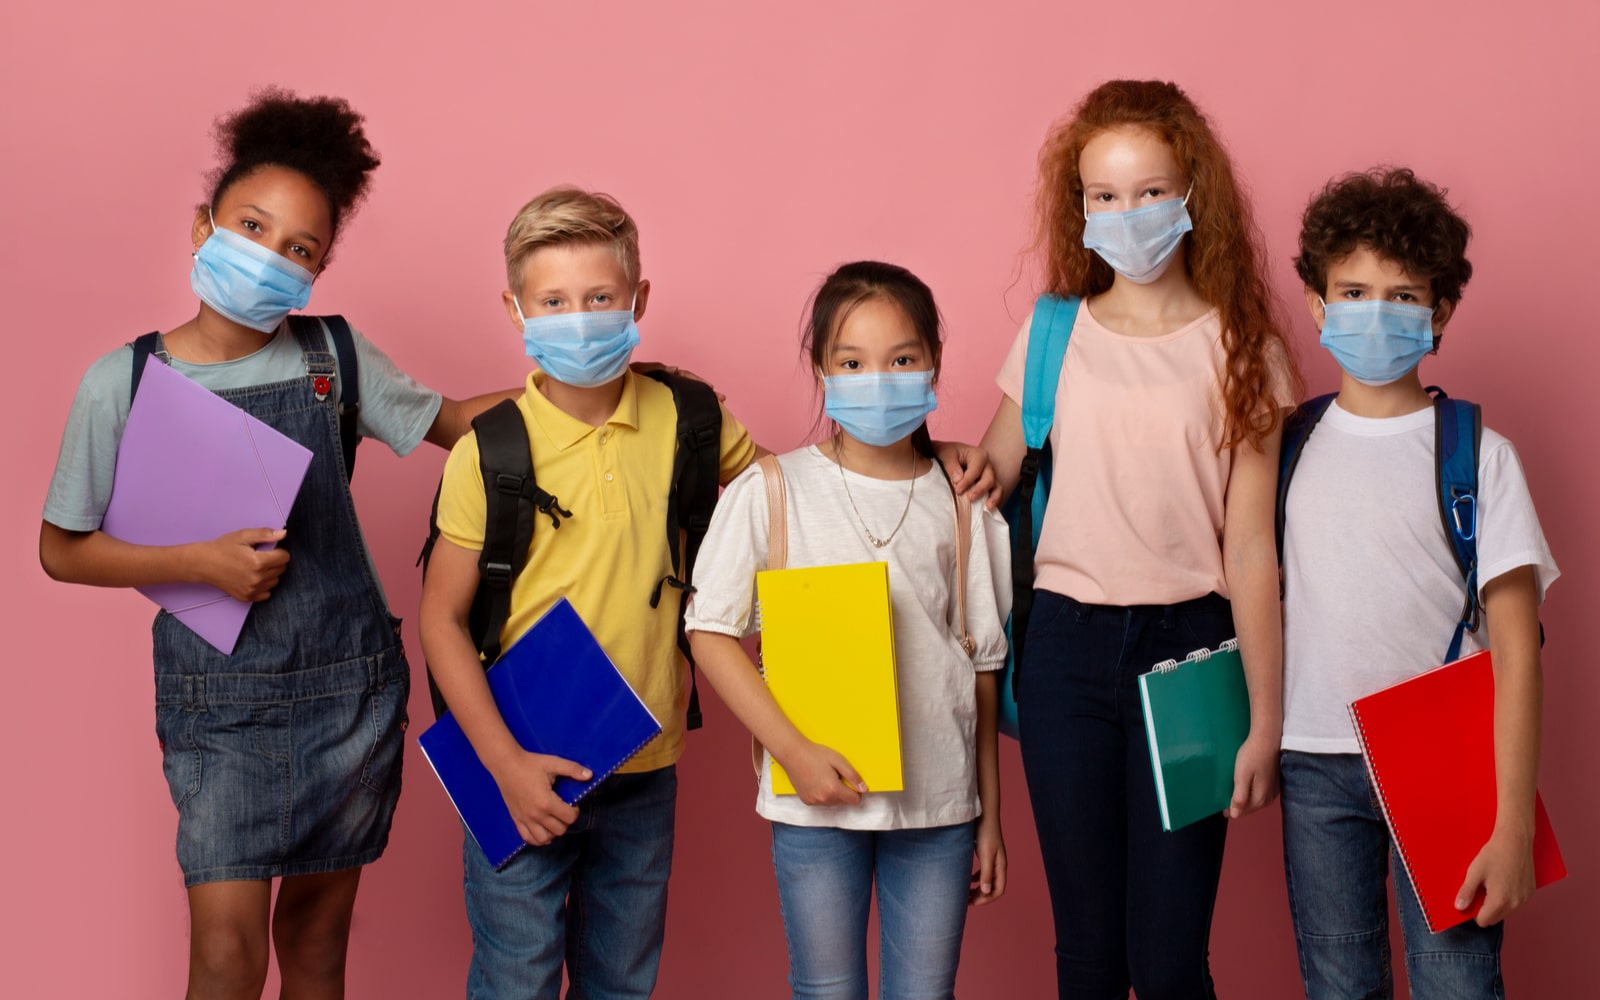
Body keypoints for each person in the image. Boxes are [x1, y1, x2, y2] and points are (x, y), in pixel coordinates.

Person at [38, 89, 516, 999]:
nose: (269, 258)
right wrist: (195, 562)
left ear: (318, 271)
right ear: (201, 226)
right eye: (250, 227)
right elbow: (62, 548)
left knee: (316, 940)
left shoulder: (333, 356)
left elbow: (456, 423)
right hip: (217, 704)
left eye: (298, 248)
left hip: (349, 687)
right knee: (225, 954)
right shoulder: (126, 380)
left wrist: (584, 382)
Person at [978, 79, 1300, 999]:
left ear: (1194, 195)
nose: (1128, 213)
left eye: (1152, 191)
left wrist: (1265, 723)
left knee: (1168, 958)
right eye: (1105, 195)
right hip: (1067, 652)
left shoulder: (1244, 349)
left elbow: (1250, 551)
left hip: (1195, 652)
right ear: (1078, 207)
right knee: (1085, 953)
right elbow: (990, 474)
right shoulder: (1052, 334)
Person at [684, 260, 1011, 1000]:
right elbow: (708, 631)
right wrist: (792, 751)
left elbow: (982, 670)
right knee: (826, 990)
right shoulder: (773, 489)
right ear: (821, 370)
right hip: (813, 802)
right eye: (852, 362)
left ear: (934, 361)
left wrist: (989, 816)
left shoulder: (965, 503)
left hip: (940, 807)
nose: (878, 378)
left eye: (902, 359)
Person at [1278, 167, 1558, 999]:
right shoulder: (1286, 447)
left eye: (1403, 296)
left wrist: (1512, 826)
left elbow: (1517, 653)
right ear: (1318, 305)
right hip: (1314, 762)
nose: (1375, 311)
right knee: (1338, 983)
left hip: (1446, 764)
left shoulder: (1480, 453)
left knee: (1458, 983)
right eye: (1353, 290)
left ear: (1439, 314)